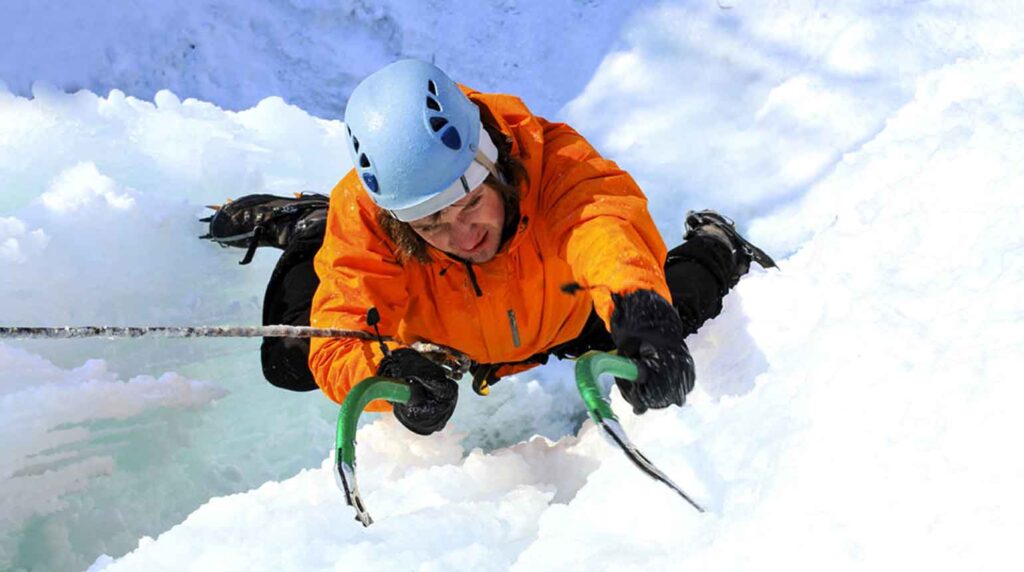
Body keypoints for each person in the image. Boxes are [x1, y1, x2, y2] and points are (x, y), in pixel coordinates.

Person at [203, 59, 774, 436]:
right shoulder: (367, 216)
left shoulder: (554, 162)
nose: (465, 235)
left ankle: (718, 246)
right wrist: (386, 377)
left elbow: (605, 230)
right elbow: (338, 338)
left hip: (566, 311)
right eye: (432, 226)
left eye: (472, 204)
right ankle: (312, 232)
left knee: (667, 320)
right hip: (441, 340)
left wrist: (642, 315)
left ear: (494, 165)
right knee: (291, 360)